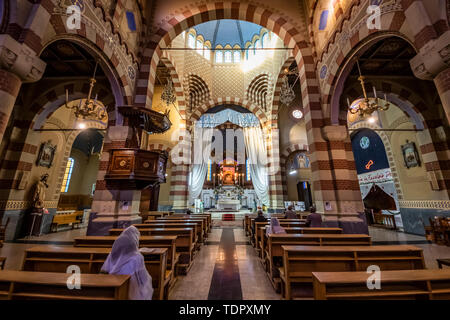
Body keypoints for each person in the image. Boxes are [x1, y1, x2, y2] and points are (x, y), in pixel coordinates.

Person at [101, 226, 154, 300]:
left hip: (113, 288)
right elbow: (143, 278)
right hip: (131, 290)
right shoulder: (137, 257)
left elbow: (104, 270)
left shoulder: (112, 254)